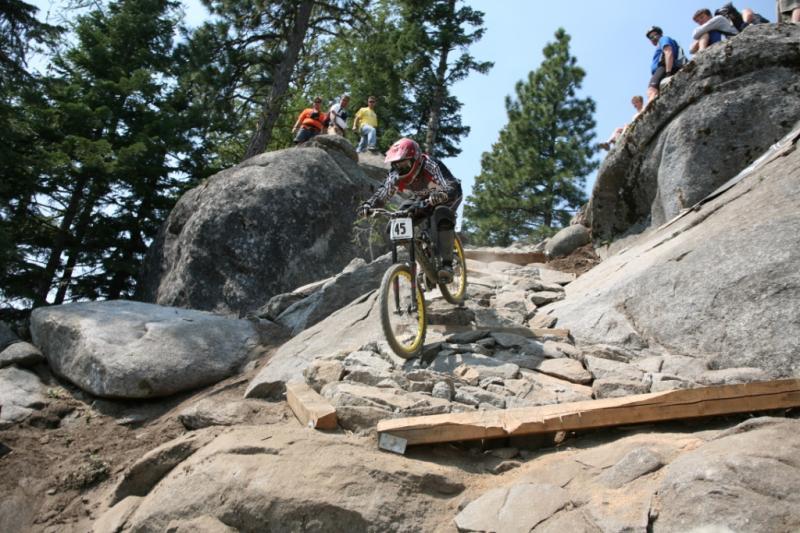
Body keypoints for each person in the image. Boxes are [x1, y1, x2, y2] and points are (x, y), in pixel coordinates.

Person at [357, 138, 463, 283]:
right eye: (396, 165)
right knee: (396, 222)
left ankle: (447, 264)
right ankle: (424, 262)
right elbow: (384, 192)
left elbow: (450, 184)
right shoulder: (396, 174)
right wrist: (369, 205)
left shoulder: (430, 164)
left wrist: (442, 194)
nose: (400, 169)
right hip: (423, 198)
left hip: (448, 196)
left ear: (416, 159)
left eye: (404, 164)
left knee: (441, 214)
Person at [646, 26, 685, 103]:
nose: (653, 38)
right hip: (665, 69)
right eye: (651, 37)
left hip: (663, 68)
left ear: (661, 34)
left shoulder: (663, 39)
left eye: (655, 35)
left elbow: (668, 52)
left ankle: (649, 112)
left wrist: (668, 73)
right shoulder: (659, 44)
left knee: (651, 90)